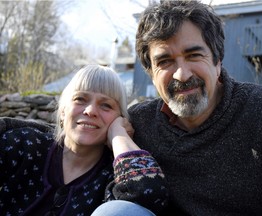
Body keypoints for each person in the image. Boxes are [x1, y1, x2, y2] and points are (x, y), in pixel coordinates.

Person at [127, 0, 262, 215]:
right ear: (151, 73)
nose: (182, 75)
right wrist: (118, 135)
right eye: (165, 61)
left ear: (217, 60)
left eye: (194, 55)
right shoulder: (139, 124)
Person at [0, 65, 168, 216]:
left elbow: (148, 194)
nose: (90, 111)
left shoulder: (113, 176)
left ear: (120, 119)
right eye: (80, 99)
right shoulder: (27, 145)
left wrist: (118, 135)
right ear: (64, 110)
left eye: (106, 105)